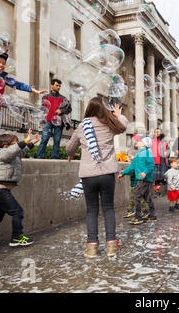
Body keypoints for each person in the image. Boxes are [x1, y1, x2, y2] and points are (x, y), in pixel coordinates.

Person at [66, 98, 128, 258]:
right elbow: (124, 125)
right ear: (102, 110)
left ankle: (92, 247)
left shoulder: (82, 126)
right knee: (108, 209)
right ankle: (111, 246)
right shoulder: (109, 124)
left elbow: (69, 147)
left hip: (88, 175)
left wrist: (71, 154)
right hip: (107, 174)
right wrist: (118, 115)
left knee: (91, 211)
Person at [0, 51, 47, 157]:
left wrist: (34, 90)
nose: (1, 65)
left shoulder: (3, 76)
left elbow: (17, 84)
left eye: (3, 63)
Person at [119, 136, 156, 225]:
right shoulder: (138, 154)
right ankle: (152, 214)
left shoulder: (147, 152)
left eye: (140, 141)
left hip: (144, 179)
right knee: (146, 197)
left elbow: (151, 165)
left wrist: (145, 173)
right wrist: (123, 173)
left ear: (144, 144)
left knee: (136, 195)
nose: (137, 142)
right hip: (140, 179)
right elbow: (132, 167)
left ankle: (138, 216)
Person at [36, 79, 72, 159]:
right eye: (57, 85)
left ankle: (55, 158)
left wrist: (61, 110)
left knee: (57, 141)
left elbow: (69, 109)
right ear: (52, 86)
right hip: (47, 122)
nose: (58, 87)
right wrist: (41, 123)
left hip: (58, 122)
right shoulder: (45, 97)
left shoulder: (63, 98)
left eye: (59, 86)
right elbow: (42, 110)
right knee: (44, 139)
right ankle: (39, 157)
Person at [123, 136, 149, 220]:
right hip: (134, 184)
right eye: (129, 156)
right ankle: (132, 209)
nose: (129, 158)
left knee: (139, 198)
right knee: (133, 198)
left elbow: (133, 170)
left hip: (138, 184)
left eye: (131, 156)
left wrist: (125, 172)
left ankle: (144, 210)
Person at [151, 128, 170, 198]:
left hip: (162, 160)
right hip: (155, 160)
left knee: (162, 177)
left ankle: (163, 191)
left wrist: (167, 152)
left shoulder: (164, 141)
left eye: (158, 132)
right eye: (156, 132)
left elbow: (168, 150)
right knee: (156, 178)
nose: (157, 133)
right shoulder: (152, 141)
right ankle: (156, 192)